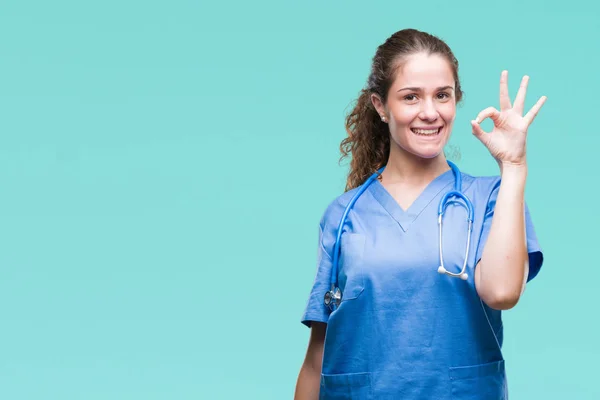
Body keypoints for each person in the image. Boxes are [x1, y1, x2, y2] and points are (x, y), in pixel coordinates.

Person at [294, 28, 546, 400]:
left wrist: (514, 168)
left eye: (442, 95)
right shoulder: (344, 214)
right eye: (411, 96)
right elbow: (318, 358)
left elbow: (502, 292)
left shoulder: (490, 197)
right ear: (380, 106)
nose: (430, 112)